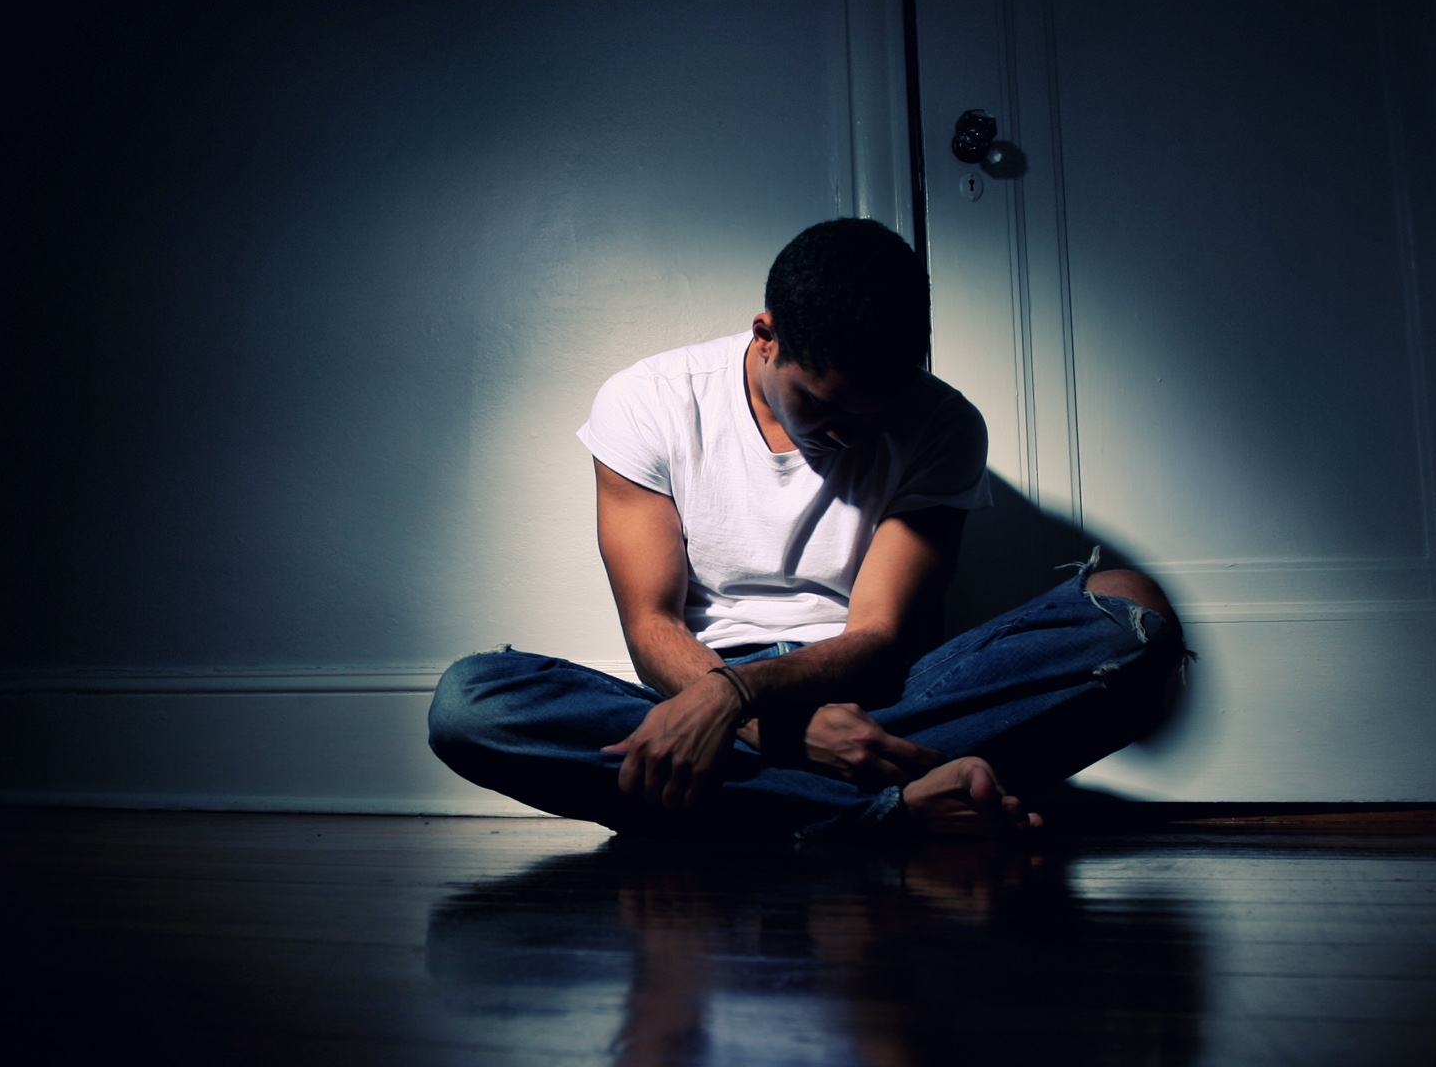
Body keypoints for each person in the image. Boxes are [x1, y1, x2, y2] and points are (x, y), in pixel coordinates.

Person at [428, 218, 1181, 842]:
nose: (855, 437)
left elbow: (881, 634)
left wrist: (749, 709)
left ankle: (767, 811)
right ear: (768, 335)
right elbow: (650, 624)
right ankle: (889, 815)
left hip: (879, 697)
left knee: (1129, 616)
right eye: (826, 408)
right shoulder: (647, 403)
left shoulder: (942, 422)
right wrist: (751, 718)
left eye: (877, 413)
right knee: (473, 703)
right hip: (703, 688)